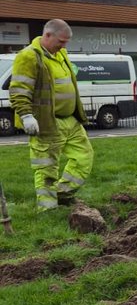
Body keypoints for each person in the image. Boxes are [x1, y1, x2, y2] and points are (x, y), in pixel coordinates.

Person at [9, 19, 94, 210]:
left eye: (66, 42)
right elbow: (19, 89)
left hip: (70, 121)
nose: (64, 46)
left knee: (84, 157)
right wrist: (26, 116)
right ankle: (47, 209)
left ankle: (63, 193)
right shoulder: (28, 56)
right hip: (47, 122)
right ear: (47, 35)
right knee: (46, 167)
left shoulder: (60, 53)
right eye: (61, 41)